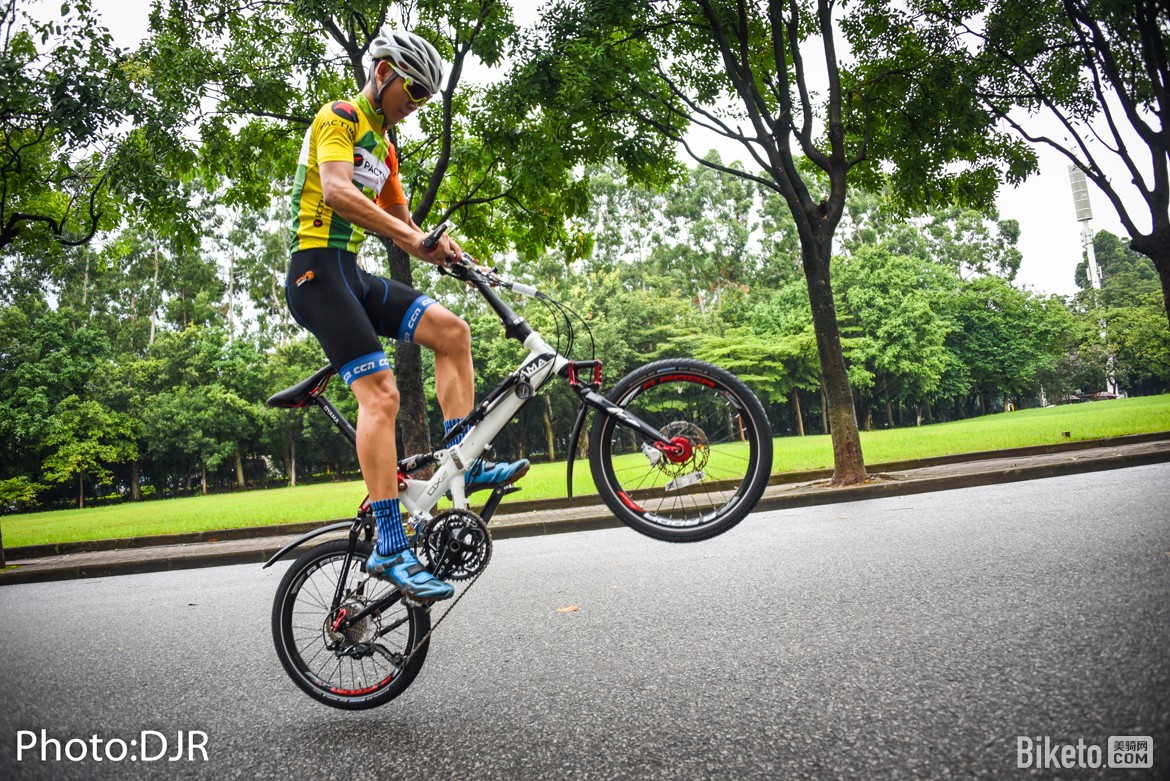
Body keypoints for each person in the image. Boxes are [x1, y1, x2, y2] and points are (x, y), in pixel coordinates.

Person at [285, 27, 529, 601]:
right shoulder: (338, 118)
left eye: (425, 97)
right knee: (383, 394)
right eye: (413, 90)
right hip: (316, 275)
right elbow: (339, 193)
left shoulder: (388, 148)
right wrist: (414, 241)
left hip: (353, 274)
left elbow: (405, 226)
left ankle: (460, 459)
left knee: (452, 332)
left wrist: (452, 253)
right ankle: (390, 546)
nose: (416, 104)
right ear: (384, 72)